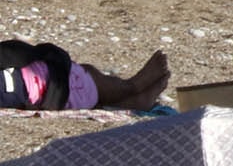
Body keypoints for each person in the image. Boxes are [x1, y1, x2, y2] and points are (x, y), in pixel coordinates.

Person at [0, 41, 170, 112]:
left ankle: (130, 101)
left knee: (85, 82)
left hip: (39, 89)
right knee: (86, 75)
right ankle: (131, 87)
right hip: (49, 87)